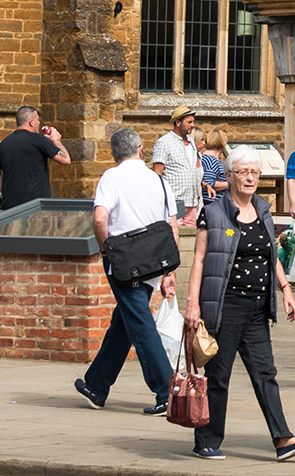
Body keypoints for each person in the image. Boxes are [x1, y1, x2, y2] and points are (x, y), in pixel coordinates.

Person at [186, 146, 295, 461]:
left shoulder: (263, 208)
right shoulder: (215, 212)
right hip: (225, 305)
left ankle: (283, 438)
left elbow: (271, 254)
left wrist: (285, 288)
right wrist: (192, 304)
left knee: (265, 372)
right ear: (229, 176)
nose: (249, 178)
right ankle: (207, 440)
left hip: (258, 307)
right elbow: (200, 260)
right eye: (243, 172)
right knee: (218, 376)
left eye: (254, 172)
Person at [73, 127, 178, 416]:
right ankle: (97, 385)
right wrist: (169, 272)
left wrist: (105, 248)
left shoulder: (111, 177)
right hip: (156, 261)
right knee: (125, 320)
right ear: (141, 150)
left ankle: (167, 391)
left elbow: (99, 218)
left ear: (113, 154)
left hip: (124, 261)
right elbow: (172, 225)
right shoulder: (158, 180)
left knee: (140, 323)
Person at [0, 106, 69, 211]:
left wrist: (8, 192)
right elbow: (66, 160)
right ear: (31, 122)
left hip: (10, 207)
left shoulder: (5, 143)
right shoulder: (39, 140)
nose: (39, 123)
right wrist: (56, 140)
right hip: (36, 206)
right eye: (37, 120)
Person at [153, 105, 203, 229]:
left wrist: (197, 197)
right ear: (178, 123)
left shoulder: (191, 142)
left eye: (193, 122)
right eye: (189, 122)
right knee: (175, 238)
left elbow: (193, 172)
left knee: (191, 242)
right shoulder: (164, 142)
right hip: (174, 202)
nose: (192, 125)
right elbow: (157, 175)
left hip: (191, 202)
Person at [199, 128, 230, 204]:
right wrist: (231, 184)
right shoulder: (211, 160)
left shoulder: (207, 157)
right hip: (212, 201)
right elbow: (209, 182)